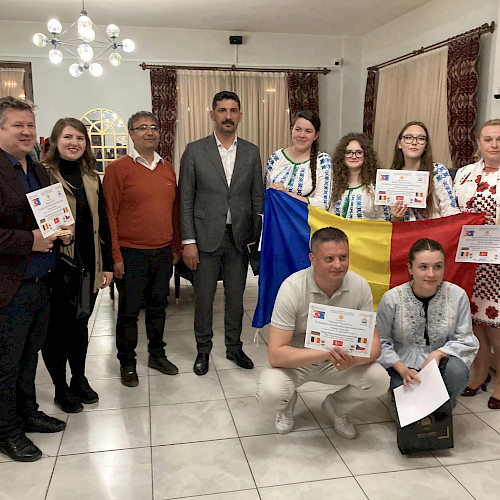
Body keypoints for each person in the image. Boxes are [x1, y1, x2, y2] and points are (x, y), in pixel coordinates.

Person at [256, 227, 389, 439]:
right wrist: (327, 352)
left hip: (340, 360)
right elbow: (276, 354)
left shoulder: (359, 285)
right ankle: (286, 403)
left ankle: (337, 406)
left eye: (343, 257)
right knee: (270, 394)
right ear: (313, 259)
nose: (338, 265)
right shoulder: (292, 288)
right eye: (329, 259)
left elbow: (374, 346)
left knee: (379, 380)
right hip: (298, 361)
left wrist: (352, 360)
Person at [0, 97, 71, 462]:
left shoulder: (38, 169)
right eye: (17, 125)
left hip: (42, 280)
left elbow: (49, 217)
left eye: (30, 125)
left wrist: (62, 232)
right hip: (10, 286)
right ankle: (7, 431)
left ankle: (28, 413)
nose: (26, 132)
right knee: (6, 363)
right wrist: (30, 240)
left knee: (30, 356)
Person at [179, 91, 264, 376]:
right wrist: (188, 241)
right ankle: (203, 350)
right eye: (223, 110)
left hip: (239, 239)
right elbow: (185, 199)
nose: (228, 116)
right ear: (212, 114)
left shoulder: (251, 152)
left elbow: (257, 197)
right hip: (204, 238)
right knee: (204, 299)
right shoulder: (195, 150)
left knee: (236, 299)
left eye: (233, 111)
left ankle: (234, 347)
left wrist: (256, 239)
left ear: (240, 116)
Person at [103, 111, 181, 387]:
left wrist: (175, 246)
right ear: (131, 134)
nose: (149, 131)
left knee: (159, 309)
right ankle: (127, 362)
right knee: (129, 313)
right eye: (142, 127)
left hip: (162, 252)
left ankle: (157, 355)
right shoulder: (117, 169)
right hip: (130, 254)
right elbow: (109, 215)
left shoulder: (167, 169)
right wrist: (115, 256)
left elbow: (174, 212)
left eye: (154, 127)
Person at [41, 118, 113, 413]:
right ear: (55, 141)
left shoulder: (92, 177)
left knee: (80, 325)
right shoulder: (44, 176)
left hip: (88, 265)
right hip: (57, 266)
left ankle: (79, 378)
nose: (74, 143)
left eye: (80, 138)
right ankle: (60, 388)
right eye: (68, 137)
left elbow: (103, 222)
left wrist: (107, 264)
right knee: (57, 331)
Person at [377, 238, 479, 408]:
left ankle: (443, 410)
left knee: (457, 372)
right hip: (401, 365)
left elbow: (465, 339)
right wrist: (402, 369)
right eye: (423, 267)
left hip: (442, 364)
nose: (431, 274)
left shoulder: (457, 296)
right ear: (411, 268)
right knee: (410, 408)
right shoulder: (392, 298)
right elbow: (381, 341)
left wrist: (438, 353)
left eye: (437, 267)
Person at [453, 119, 500, 409]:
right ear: (478, 143)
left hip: (498, 265)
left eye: (499, 139)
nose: (494, 144)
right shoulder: (464, 174)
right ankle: (480, 373)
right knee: (474, 322)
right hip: (469, 261)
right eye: (488, 139)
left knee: (496, 324)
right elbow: (453, 211)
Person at [390, 121, 459, 221]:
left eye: (421, 138)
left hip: (435, 228)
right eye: (408, 137)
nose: (414, 142)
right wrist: (396, 218)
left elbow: (450, 208)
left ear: (426, 146)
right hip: (406, 229)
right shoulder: (392, 176)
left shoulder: (437, 171)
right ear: (399, 144)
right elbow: (388, 217)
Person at [266, 110, 332, 210]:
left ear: (316, 136)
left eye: (308, 131)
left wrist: (287, 195)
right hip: (276, 218)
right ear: (291, 130)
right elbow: (265, 194)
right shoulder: (276, 157)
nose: (302, 135)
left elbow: (322, 204)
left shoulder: (323, 161)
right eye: (298, 129)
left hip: (304, 219)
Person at [329, 132, 389, 220]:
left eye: (359, 152)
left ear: (366, 155)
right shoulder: (333, 184)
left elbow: (384, 218)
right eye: (349, 152)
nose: (354, 157)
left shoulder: (375, 186)